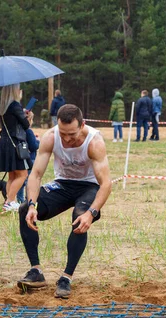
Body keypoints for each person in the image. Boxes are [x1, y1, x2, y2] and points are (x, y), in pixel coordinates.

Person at [16, 104, 112, 299]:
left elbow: (106, 184)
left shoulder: (94, 142)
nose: (67, 139)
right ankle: (36, 272)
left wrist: (91, 213)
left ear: (82, 124)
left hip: (89, 187)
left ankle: (66, 277)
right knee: (24, 208)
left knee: (79, 218)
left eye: (72, 134)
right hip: (62, 185)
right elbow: (35, 175)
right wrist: (33, 205)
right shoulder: (51, 137)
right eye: (63, 134)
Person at [0, 83, 33, 212]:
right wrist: (29, 117)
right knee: (23, 174)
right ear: (14, 91)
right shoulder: (15, 105)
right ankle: (10, 201)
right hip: (14, 144)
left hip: (4, 142)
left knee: (12, 176)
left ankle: (9, 202)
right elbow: (26, 125)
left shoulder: (3, 107)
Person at [16, 129, 40, 203]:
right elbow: (33, 146)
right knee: (29, 181)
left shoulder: (17, 130)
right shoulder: (28, 131)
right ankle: (27, 200)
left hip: (20, 158)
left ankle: (20, 199)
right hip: (30, 159)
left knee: (21, 180)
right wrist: (37, 141)